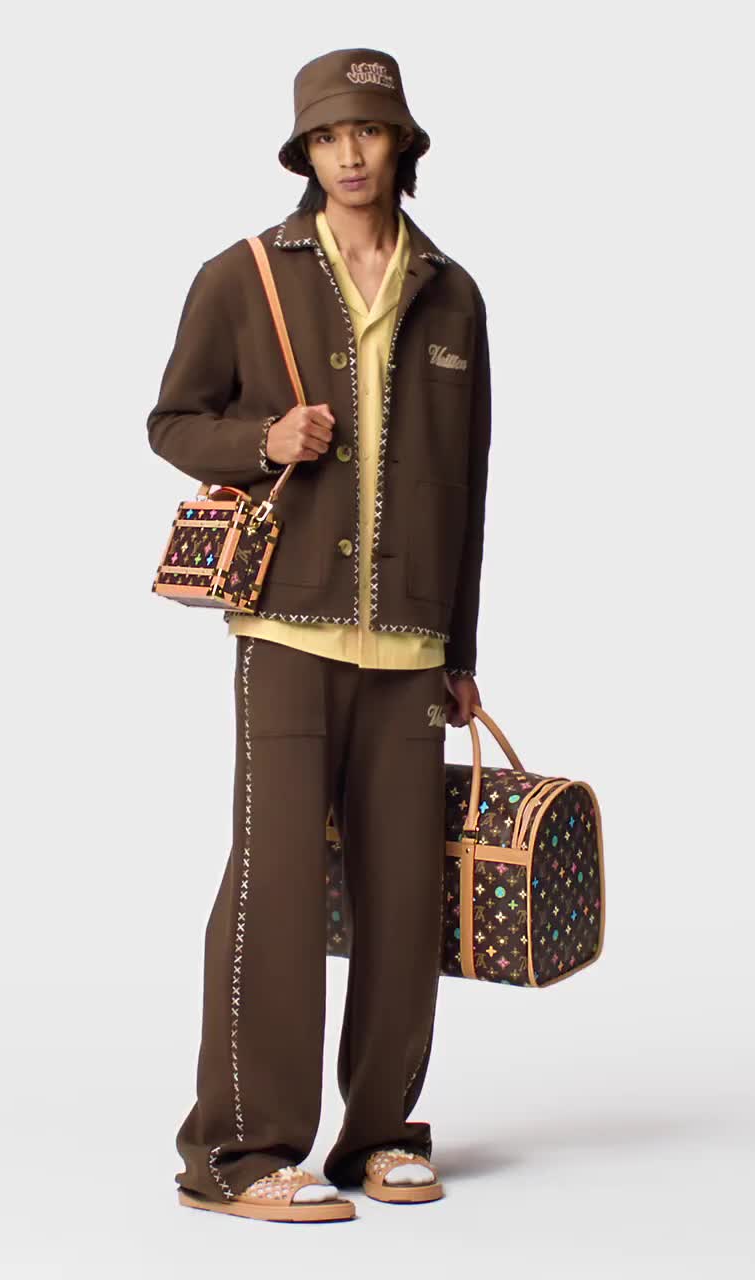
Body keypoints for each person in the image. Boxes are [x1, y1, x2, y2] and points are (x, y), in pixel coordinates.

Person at [146, 46, 493, 1223]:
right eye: (328, 136)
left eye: (368, 131)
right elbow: (172, 420)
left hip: (410, 645)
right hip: (286, 627)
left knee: (404, 894)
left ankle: (381, 1130)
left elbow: (465, 487)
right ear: (304, 151)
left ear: (402, 144)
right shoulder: (242, 274)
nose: (349, 154)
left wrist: (460, 650)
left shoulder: (453, 294)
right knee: (277, 884)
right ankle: (237, 1151)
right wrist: (263, 441)